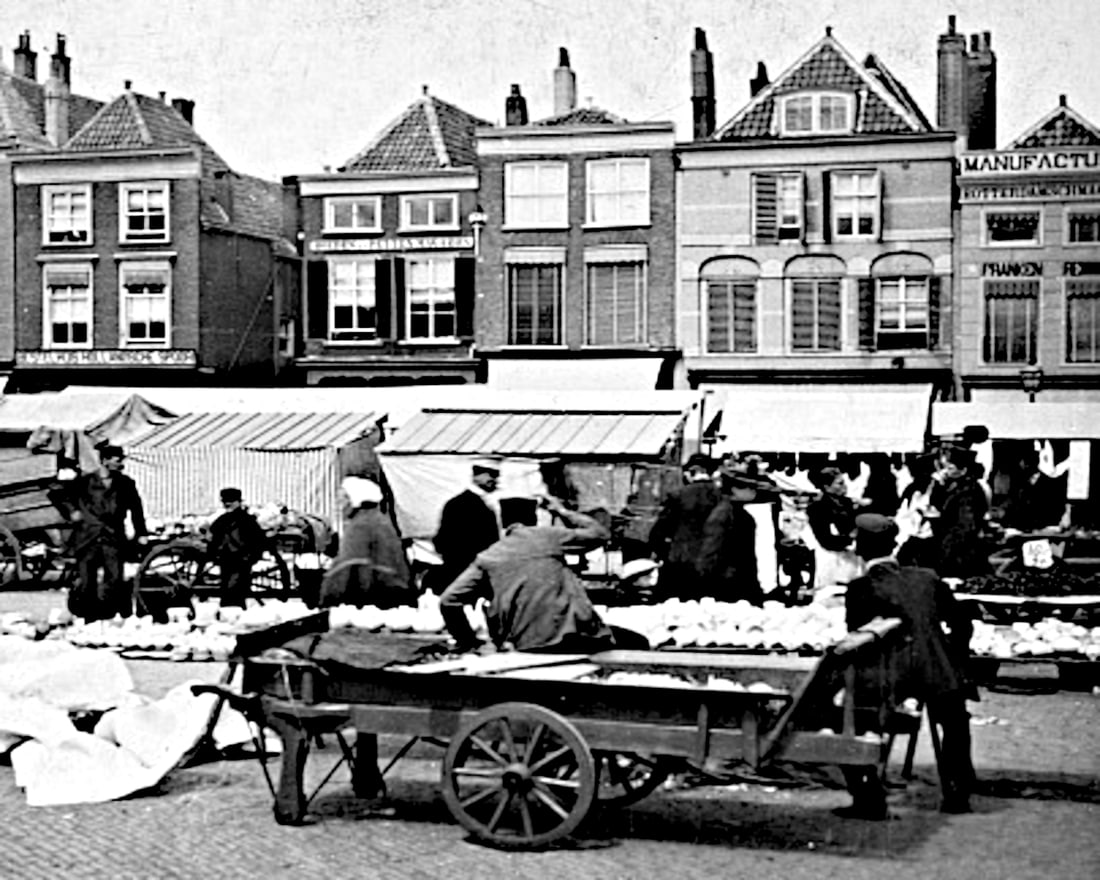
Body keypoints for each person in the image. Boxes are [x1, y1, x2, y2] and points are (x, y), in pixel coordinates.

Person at [840, 513, 976, 819]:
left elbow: (860, 640)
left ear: (860, 549)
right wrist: (950, 658)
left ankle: (868, 799)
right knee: (955, 722)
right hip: (941, 674)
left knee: (846, 716)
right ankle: (958, 793)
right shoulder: (927, 578)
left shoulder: (861, 587)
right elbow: (962, 624)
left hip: (894, 677)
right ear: (894, 545)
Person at [439, 495, 648, 653]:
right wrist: (562, 511)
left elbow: (448, 600)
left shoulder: (489, 556)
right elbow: (600, 533)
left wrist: (469, 642)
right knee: (637, 642)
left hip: (527, 644)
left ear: (503, 522)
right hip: (577, 635)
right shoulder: (547, 537)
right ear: (534, 519)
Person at [53, 442, 147, 621]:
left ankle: (109, 615)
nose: (121, 464)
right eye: (117, 461)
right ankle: (89, 617)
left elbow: (136, 509)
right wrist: (72, 511)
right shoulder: (84, 482)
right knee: (87, 579)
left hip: (113, 536)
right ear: (104, 461)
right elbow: (58, 494)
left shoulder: (125, 483)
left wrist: (141, 533)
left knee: (114, 578)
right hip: (87, 536)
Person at [317, 476, 415, 609]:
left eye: (343, 498)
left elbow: (347, 566)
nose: (338, 504)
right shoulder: (379, 520)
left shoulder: (361, 525)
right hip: (395, 596)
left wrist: (327, 595)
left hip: (376, 600)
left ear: (354, 499)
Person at [697, 464, 780, 605]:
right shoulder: (726, 514)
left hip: (737, 583)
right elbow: (711, 551)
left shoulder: (736, 513)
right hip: (730, 586)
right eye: (750, 487)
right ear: (735, 489)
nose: (754, 491)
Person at [647, 452, 720, 600]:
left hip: (680, 566)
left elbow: (658, 534)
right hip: (716, 567)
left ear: (690, 472)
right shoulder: (723, 498)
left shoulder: (677, 496)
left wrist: (664, 554)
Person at [431, 458, 502, 593]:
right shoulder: (459, 504)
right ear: (476, 475)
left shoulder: (485, 503)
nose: (495, 480)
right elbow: (445, 540)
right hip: (465, 569)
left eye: (497, 475)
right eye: (491, 475)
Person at [931, 446, 991, 579]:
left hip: (960, 548)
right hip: (954, 542)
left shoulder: (968, 491)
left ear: (963, 470)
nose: (946, 472)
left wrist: (950, 549)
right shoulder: (954, 485)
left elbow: (966, 524)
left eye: (950, 468)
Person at [204, 487, 267, 608]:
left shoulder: (247, 520)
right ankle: (229, 609)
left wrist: (251, 557)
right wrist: (212, 552)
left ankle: (233, 609)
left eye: (231, 501)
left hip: (241, 559)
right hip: (225, 558)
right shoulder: (222, 520)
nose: (227, 504)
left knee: (234, 587)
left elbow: (259, 540)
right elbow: (212, 535)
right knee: (226, 585)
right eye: (225, 502)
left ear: (238, 502)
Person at [806, 467, 863, 591]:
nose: (844, 487)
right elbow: (825, 540)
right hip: (830, 558)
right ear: (827, 487)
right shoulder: (817, 508)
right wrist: (849, 538)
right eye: (839, 483)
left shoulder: (848, 503)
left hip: (850, 556)